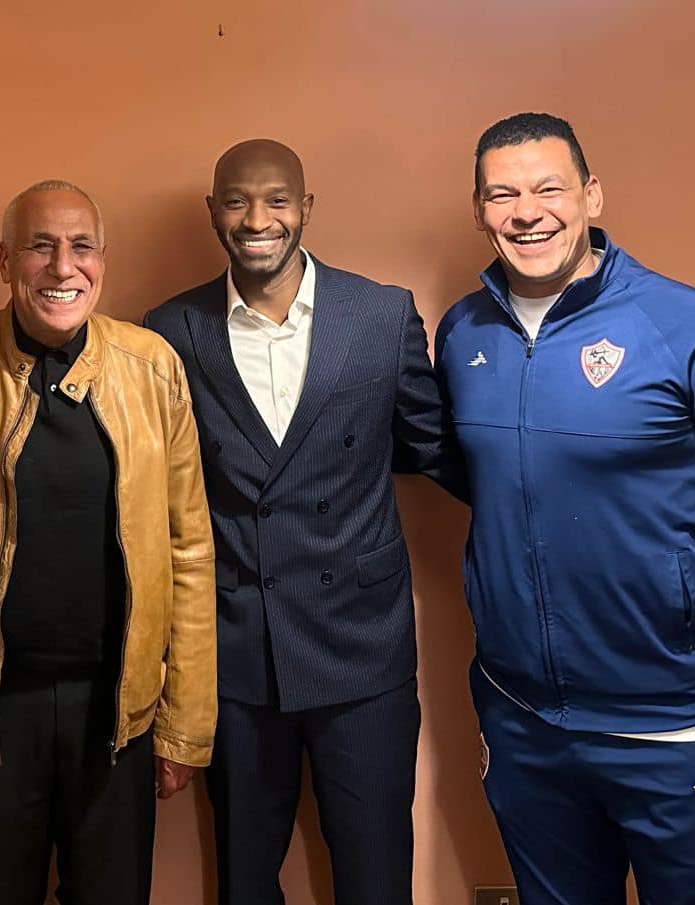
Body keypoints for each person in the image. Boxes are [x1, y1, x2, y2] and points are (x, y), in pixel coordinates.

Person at [436, 112, 695, 905]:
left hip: (684, 736)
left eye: (549, 188)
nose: (527, 212)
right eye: (503, 195)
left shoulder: (692, 330)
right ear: (479, 211)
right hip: (526, 727)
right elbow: (501, 483)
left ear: (592, 195)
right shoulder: (462, 334)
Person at [0, 181, 216, 905]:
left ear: (102, 260)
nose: (63, 267)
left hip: (117, 713)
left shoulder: (153, 368)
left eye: (81, 246)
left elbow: (189, 552)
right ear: (5, 261)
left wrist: (184, 726)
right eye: (40, 246)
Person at [144, 140, 462, 905]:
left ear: (306, 207)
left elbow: (433, 449)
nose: (258, 219)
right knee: (245, 880)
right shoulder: (169, 329)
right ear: (213, 211)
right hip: (236, 656)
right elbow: (153, 492)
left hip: (363, 652)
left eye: (278, 200)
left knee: (376, 877)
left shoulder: (380, 314)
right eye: (237, 201)